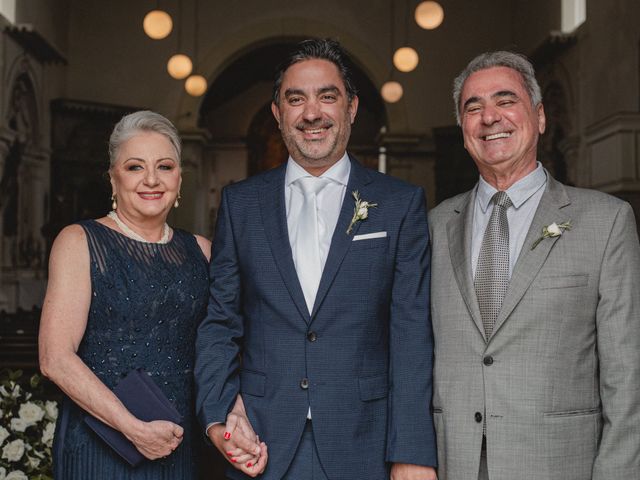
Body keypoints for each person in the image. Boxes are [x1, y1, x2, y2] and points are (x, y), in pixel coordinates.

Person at [195, 38, 437, 480]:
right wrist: (218, 415)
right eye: (295, 99)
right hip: (260, 442)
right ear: (277, 113)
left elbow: (411, 336)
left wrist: (413, 452)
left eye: (328, 96)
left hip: (367, 444)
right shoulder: (240, 204)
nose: (312, 113)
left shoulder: (399, 205)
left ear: (352, 108)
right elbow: (221, 322)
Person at [428, 51, 640, 480]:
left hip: (560, 464)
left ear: (539, 117)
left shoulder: (606, 221)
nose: (490, 118)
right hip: (453, 463)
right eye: (473, 107)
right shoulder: (432, 226)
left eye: (505, 101)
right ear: (462, 129)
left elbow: (627, 374)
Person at [39, 110, 211, 479]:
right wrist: (132, 427)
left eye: (165, 166)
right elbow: (55, 358)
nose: (151, 179)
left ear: (179, 179)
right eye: (135, 167)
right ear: (113, 179)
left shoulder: (203, 251)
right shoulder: (79, 242)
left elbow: (223, 347)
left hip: (179, 441)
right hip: (102, 442)